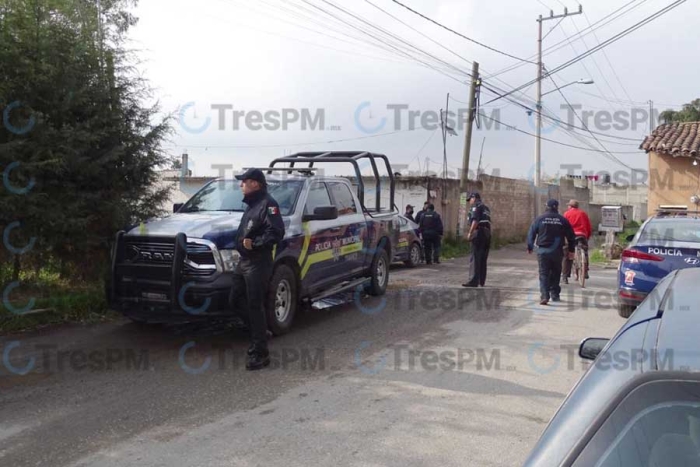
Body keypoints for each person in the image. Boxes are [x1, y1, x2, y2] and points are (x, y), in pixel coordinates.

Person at [230, 168, 285, 370]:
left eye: (243, 181)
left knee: (254, 304)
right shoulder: (252, 204)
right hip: (244, 262)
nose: (240, 185)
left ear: (255, 184)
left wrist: (256, 243)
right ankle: (260, 333)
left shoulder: (268, 204)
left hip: (258, 262)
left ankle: (260, 354)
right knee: (235, 300)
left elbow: (277, 231)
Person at [527, 199, 576, 305]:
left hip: (543, 250)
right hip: (557, 251)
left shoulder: (539, 219)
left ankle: (544, 296)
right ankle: (555, 295)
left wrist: (530, 246)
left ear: (547, 207)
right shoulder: (562, 220)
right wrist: (571, 250)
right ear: (556, 207)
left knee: (543, 273)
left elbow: (531, 233)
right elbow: (571, 236)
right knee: (556, 272)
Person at [462, 192, 492, 287]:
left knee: (475, 257)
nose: (469, 202)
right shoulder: (486, 208)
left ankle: (473, 280)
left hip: (478, 233)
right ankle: (481, 281)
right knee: (483, 258)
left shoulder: (476, 207)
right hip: (487, 234)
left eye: (470, 199)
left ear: (474, 198)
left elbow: (475, 220)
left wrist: (470, 232)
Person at [562, 199, 592, 283]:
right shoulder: (583, 214)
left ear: (570, 206)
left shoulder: (566, 214)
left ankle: (565, 277)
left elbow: (563, 226)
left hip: (570, 236)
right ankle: (585, 271)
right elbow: (589, 226)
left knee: (566, 255)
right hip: (582, 235)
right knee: (585, 251)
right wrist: (587, 236)